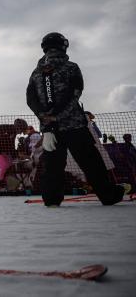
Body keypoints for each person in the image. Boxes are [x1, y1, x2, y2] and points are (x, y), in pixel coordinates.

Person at [26, 32, 128, 206]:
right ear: (63, 45)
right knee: (91, 162)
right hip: (74, 125)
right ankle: (108, 195)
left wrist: (46, 120)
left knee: (52, 166)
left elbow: (30, 99)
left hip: (50, 129)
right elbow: (74, 95)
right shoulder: (71, 67)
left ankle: (51, 200)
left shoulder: (36, 73)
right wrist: (56, 115)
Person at [0, 118, 28, 189]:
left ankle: (7, 182)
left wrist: (17, 155)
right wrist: (16, 155)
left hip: (1, 150)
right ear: (18, 128)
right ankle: (0, 184)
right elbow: (9, 146)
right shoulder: (4, 130)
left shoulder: (14, 134)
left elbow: (14, 146)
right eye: (21, 131)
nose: (21, 133)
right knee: (4, 165)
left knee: (10, 164)